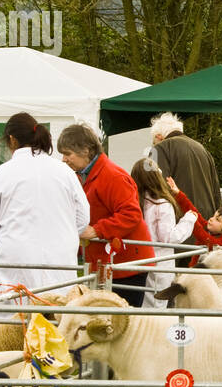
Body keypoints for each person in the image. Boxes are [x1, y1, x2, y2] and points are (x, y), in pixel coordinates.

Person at [0, 113, 90, 302]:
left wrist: (11, 242)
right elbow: (82, 218)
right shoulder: (65, 172)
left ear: (12, 140)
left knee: (11, 322)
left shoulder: (0, 175)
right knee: (58, 317)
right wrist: (63, 236)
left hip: (16, 260)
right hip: (60, 261)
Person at [57, 124, 155, 308]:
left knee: (124, 324)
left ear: (85, 150)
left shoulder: (112, 176)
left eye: (67, 153)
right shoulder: (83, 176)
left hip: (126, 266)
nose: (63, 159)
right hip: (108, 264)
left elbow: (131, 214)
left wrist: (97, 230)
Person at [130, 159, 198, 308]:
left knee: (142, 302)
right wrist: (189, 219)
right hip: (161, 262)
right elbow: (169, 237)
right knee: (156, 305)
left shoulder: (137, 202)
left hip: (141, 259)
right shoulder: (161, 204)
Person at [151, 112, 222, 221]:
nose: (153, 145)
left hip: (180, 223)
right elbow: (216, 193)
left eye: (154, 142)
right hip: (207, 223)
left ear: (159, 137)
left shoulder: (160, 148)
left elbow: (156, 188)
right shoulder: (202, 149)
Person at [166, 179, 222, 257]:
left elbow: (206, 239)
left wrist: (192, 220)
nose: (211, 219)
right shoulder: (209, 229)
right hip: (196, 267)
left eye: (217, 220)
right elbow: (194, 212)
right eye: (213, 216)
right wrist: (178, 194)